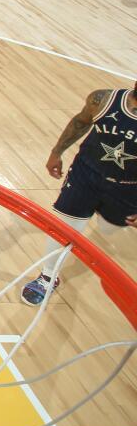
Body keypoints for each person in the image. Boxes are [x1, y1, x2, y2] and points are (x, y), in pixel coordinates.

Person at [22, 86, 137, 305]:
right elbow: (81, 121)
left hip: (129, 188)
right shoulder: (103, 99)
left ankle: (105, 216)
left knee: (109, 229)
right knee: (64, 227)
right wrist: (57, 152)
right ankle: (48, 276)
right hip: (86, 174)